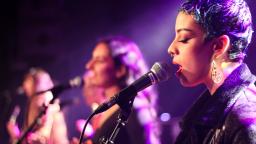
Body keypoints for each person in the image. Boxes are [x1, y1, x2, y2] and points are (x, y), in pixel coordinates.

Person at [167, 0, 256, 143]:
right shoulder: (212, 111)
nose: (171, 48)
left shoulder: (245, 115)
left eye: (184, 39)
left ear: (219, 46)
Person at [74, 36, 161, 144]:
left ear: (120, 70)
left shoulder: (135, 108)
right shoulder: (107, 108)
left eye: (99, 60)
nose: (89, 66)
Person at [6, 68, 69, 144]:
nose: (24, 86)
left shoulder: (49, 104)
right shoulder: (33, 102)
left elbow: (43, 136)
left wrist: (18, 135)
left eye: (28, 81)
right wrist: (17, 135)